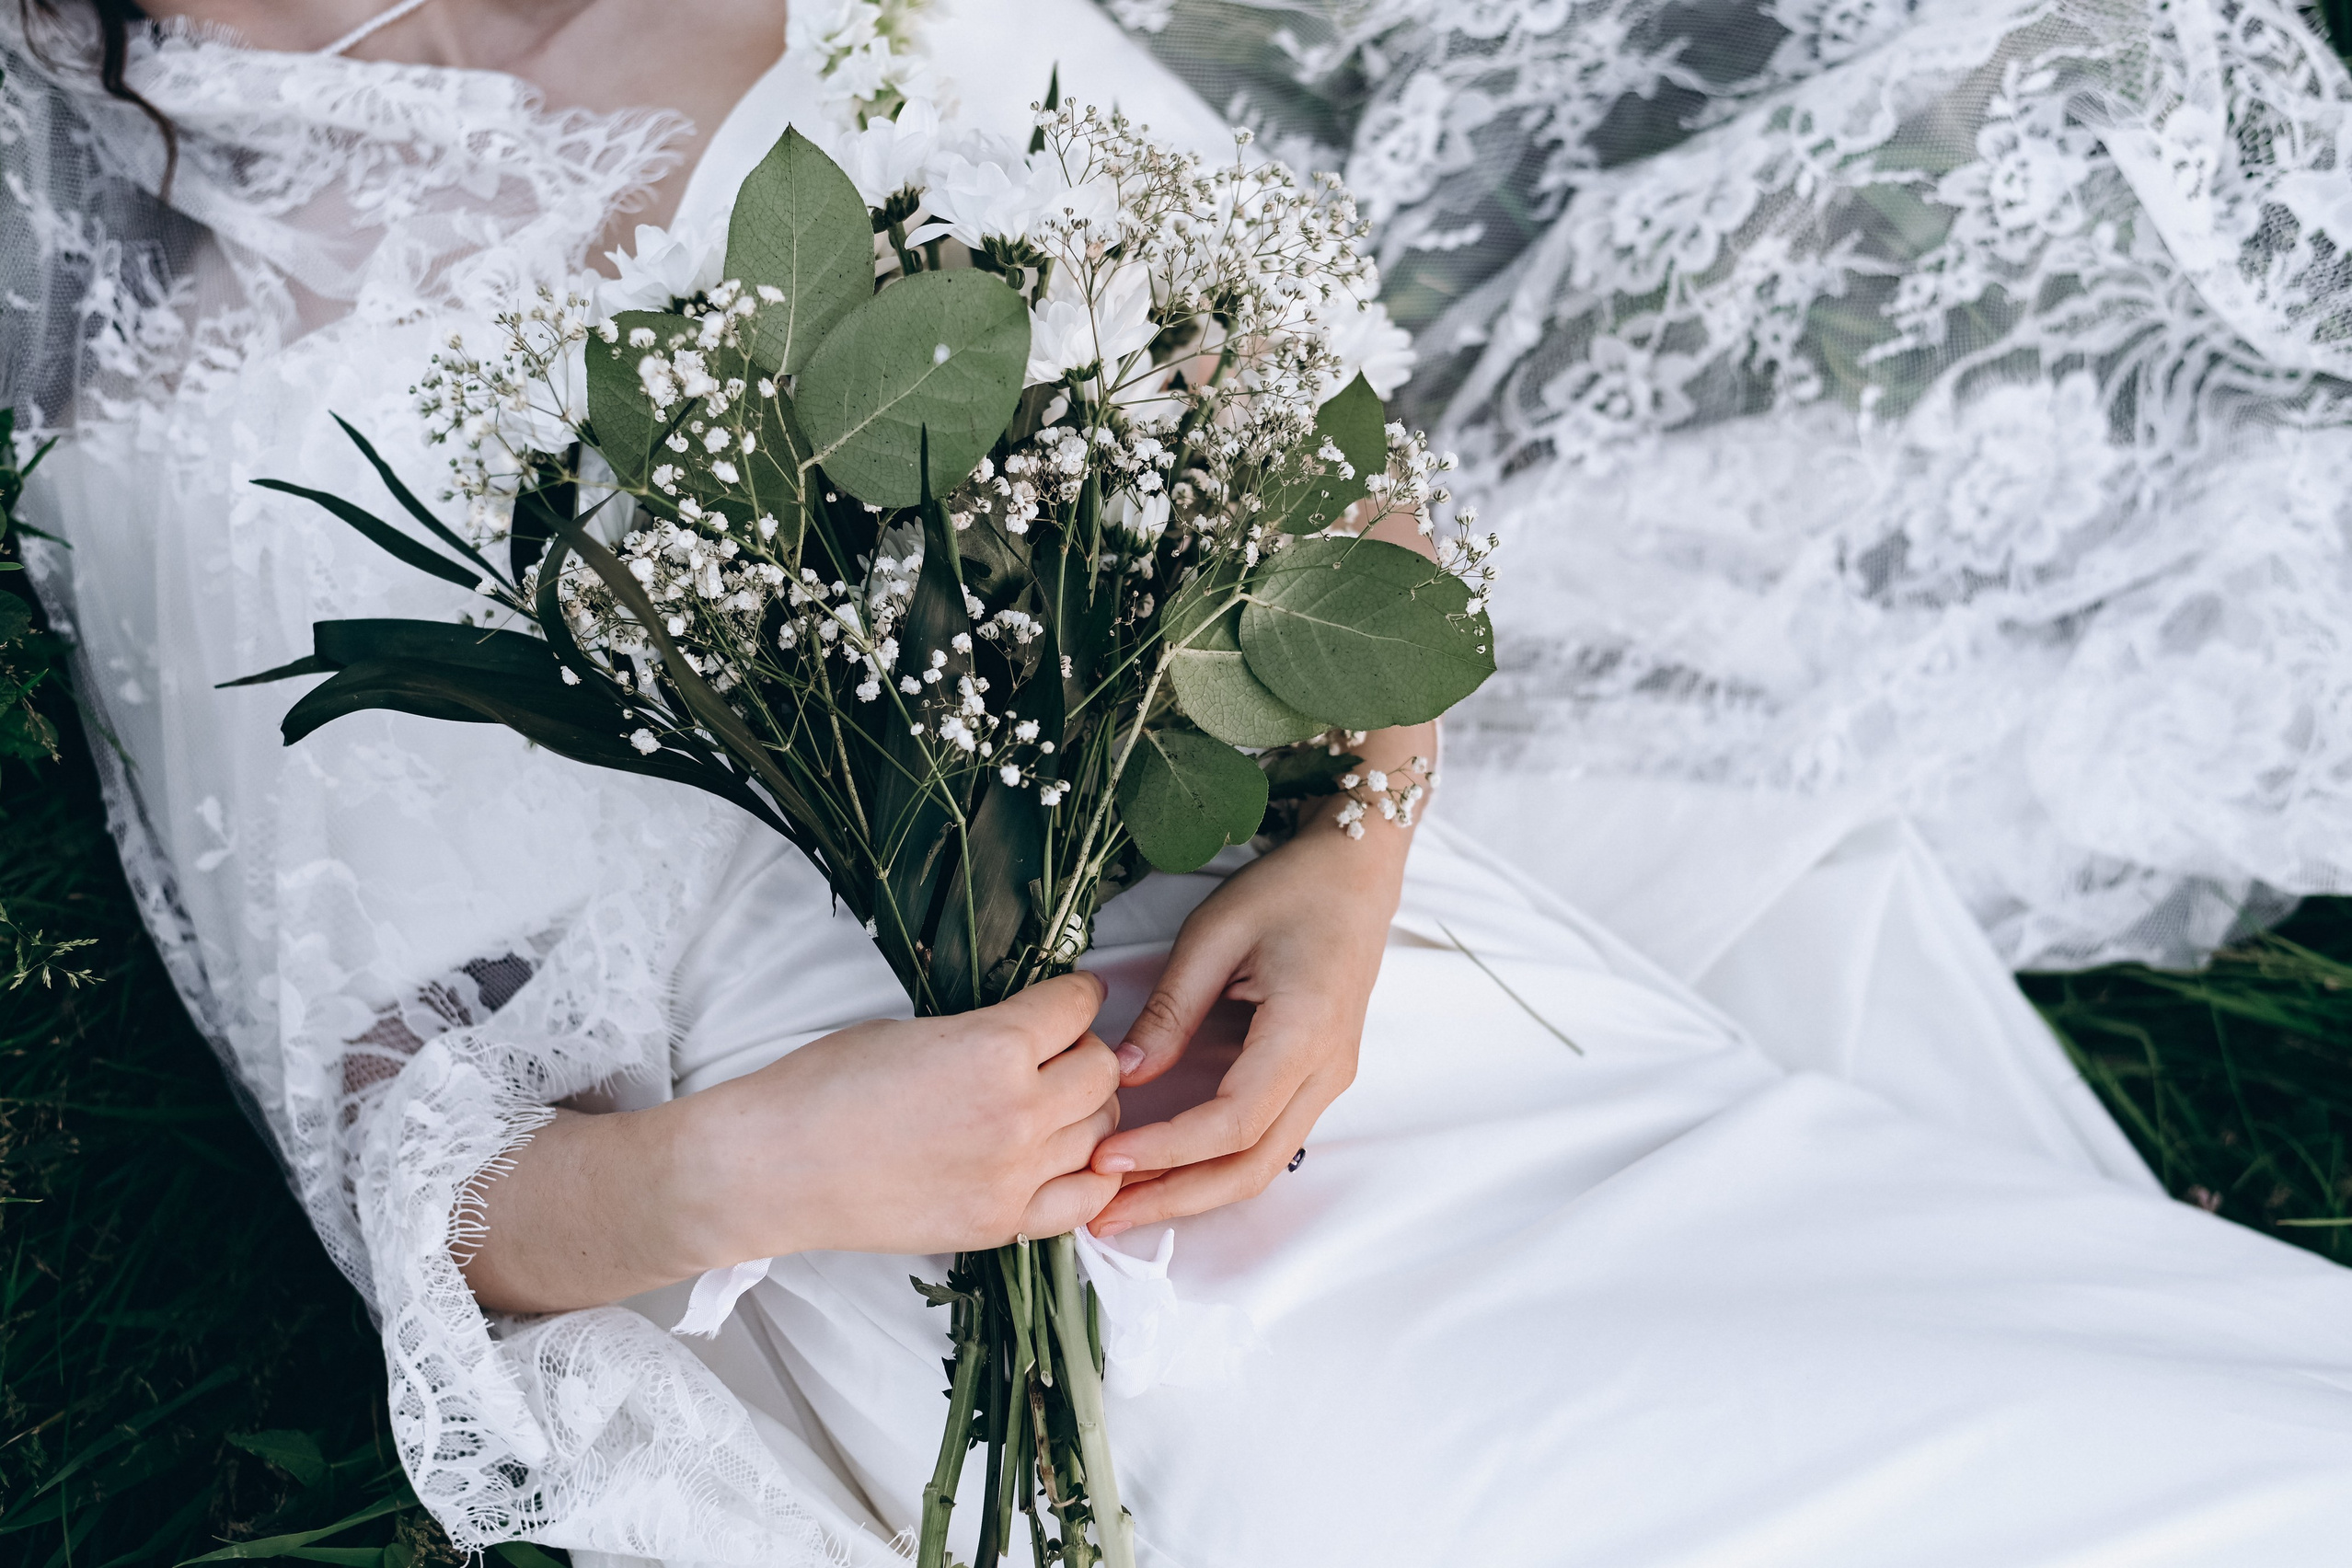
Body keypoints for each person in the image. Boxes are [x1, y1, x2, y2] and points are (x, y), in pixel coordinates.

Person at [6, 1, 2352, 1562]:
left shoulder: (896, 27)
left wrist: (1352, 848)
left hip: (1330, 1013)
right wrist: (766, 1165)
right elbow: (423, 1183)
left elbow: (1319, 460)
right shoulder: (194, 430)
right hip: (956, 1220)